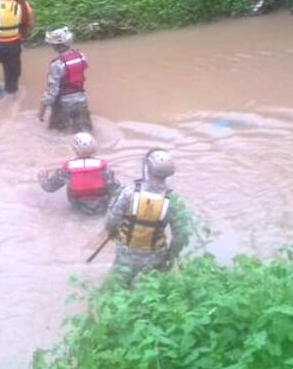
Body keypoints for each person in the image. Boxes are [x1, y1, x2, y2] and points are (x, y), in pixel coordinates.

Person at [104, 148, 183, 288]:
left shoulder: (128, 192)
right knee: (150, 289)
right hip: (156, 256)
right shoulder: (174, 201)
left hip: (126, 253)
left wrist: (112, 232)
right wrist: (171, 256)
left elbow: (111, 221)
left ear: (148, 166)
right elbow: (180, 236)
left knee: (114, 289)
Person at [37, 131, 119, 215]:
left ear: (74, 149)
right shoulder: (103, 167)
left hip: (78, 206)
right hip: (103, 206)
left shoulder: (66, 170)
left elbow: (49, 188)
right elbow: (116, 189)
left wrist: (42, 178)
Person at [37, 26, 93, 132]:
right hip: (81, 100)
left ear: (55, 46)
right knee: (85, 131)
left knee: (59, 133)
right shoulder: (81, 56)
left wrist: (42, 111)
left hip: (64, 104)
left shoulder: (57, 64)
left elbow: (52, 92)